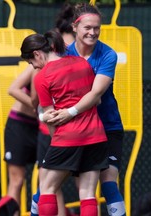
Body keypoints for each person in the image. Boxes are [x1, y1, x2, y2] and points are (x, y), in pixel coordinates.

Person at [43, 3, 126, 216]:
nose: (93, 32)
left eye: (97, 28)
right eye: (87, 27)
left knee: (108, 183)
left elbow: (95, 95)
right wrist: (48, 113)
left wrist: (68, 112)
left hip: (106, 127)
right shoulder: (62, 55)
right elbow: (51, 89)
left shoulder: (108, 55)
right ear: (75, 27)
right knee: (46, 186)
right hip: (77, 131)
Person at [21, 29, 108, 216]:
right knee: (87, 194)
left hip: (67, 138)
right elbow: (96, 99)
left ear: (37, 54)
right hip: (96, 135)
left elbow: (50, 117)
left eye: (32, 63)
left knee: (46, 188)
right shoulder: (81, 63)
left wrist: (55, 142)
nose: (34, 67)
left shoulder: (42, 77)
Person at [30, 3, 76, 216]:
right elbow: (31, 95)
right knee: (51, 184)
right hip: (58, 131)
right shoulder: (45, 62)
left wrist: (71, 111)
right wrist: (40, 111)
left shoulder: (76, 58)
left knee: (49, 185)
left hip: (70, 131)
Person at [0, 65, 39, 216]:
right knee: (17, 181)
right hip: (20, 125)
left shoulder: (70, 63)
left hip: (44, 127)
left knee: (47, 181)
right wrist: (38, 107)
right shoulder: (38, 64)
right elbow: (13, 89)